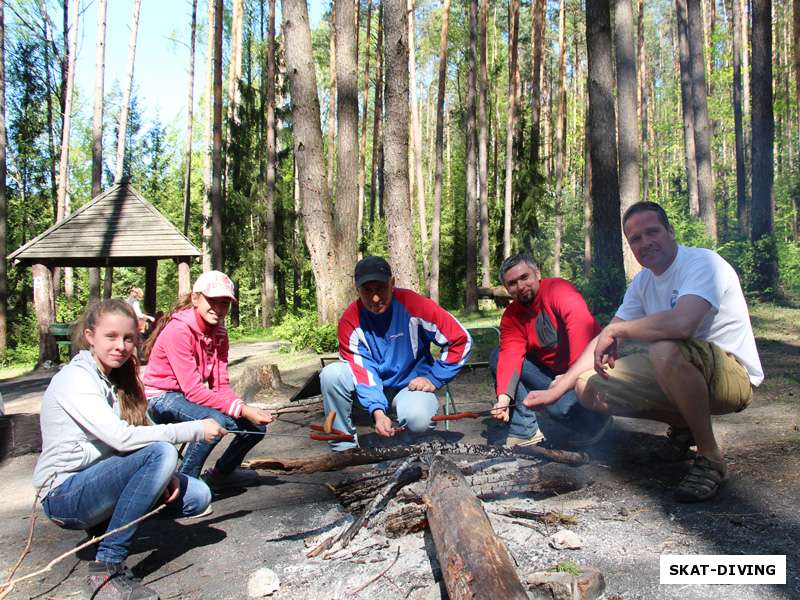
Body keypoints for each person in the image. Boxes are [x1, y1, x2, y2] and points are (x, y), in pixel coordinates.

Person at [525, 201, 763, 502]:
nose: (645, 242)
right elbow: (605, 337)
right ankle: (684, 426)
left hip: (732, 376)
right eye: (635, 239)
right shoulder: (643, 282)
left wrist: (617, 331)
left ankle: (711, 457)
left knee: (663, 350)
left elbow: (682, 324)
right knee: (588, 386)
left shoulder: (703, 263)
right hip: (682, 369)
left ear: (670, 231)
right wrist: (558, 389)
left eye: (652, 232)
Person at [33, 299, 227, 600]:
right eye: (111, 337)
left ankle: (103, 530)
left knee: (197, 496)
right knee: (161, 452)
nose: (121, 346)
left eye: (128, 338)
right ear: (90, 336)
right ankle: (106, 569)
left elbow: (139, 433)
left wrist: (165, 475)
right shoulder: (76, 379)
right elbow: (122, 439)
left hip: (102, 480)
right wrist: (196, 428)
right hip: (64, 495)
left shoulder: (118, 378)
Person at [321, 256, 472, 450]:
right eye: (367, 290)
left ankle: (408, 447)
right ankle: (344, 449)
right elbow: (363, 372)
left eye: (381, 288)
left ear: (392, 283)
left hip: (411, 387)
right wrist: (377, 411)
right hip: (370, 389)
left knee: (418, 420)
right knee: (331, 374)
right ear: (356, 289)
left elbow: (461, 340)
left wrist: (434, 378)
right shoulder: (350, 322)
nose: (375, 298)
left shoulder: (415, 305)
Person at [143, 271, 274, 488]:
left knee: (255, 428)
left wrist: (243, 408)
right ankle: (185, 483)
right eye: (212, 301)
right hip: (161, 397)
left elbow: (220, 386)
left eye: (224, 303)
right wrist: (242, 410)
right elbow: (194, 390)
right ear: (196, 299)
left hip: (185, 397)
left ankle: (221, 474)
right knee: (214, 422)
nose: (219, 309)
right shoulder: (179, 331)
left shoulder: (220, 333)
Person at [489, 253, 612, 447]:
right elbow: (510, 357)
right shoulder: (512, 316)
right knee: (498, 355)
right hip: (553, 373)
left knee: (562, 408)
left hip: (590, 368)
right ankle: (525, 430)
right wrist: (504, 399)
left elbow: (582, 332)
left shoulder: (558, 290)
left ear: (537, 274)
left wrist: (568, 380)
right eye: (512, 283)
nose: (520, 286)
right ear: (507, 289)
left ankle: (597, 421)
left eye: (524, 277)